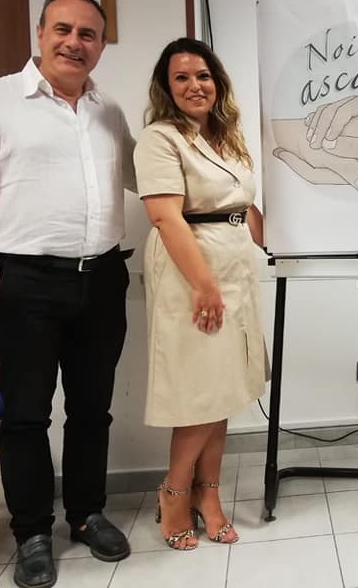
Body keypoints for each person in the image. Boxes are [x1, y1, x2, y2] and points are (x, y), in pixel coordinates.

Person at [0, 0, 136, 588]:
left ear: (101, 45)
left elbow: (142, 175)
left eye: (88, 34)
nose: (74, 42)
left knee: (92, 410)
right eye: (62, 29)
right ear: (39, 34)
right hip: (24, 282)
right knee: (24, 416)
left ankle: (87, 514)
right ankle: (32, 533)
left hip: (102, 277)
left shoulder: (108, 110)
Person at [133, 38, 267, 551]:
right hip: (191, 272)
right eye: (182, 77)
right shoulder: (160, 138)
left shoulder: (226, 135)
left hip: (234, 266)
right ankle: (173, 492)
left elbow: (242, 205)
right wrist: (204, 286)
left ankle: (207, 495)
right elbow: (165, 216)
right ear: (166, 88)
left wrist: (280, 240)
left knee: (224, 387)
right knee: (199, 392)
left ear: (217, 83)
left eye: (203, 75)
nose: (195, 86)